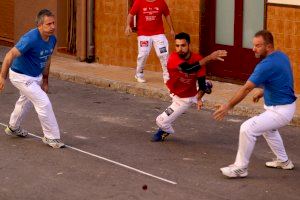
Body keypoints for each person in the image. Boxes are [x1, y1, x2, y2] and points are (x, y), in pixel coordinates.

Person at [213, 30, 297, 178]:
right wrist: (264, 91)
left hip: (280, 111)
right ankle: (284, 161)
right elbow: (286, 75)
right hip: (284, 108)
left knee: (247, 129)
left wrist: (228, 106)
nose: (253, 49)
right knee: (268, 130)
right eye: (254, 45)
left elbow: (246, 88)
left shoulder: (265, 65)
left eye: (258, 46)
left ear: (269, 46)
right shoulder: (281, 56)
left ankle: (240, 168)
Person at [0, 9, 65, 148]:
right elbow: (9, 55)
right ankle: (51, 137)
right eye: (48, 24)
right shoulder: (30, 38)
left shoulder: (52, 39)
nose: (53, 26)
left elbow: (47, 59)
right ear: (40, 26)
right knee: (43, 102)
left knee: (25, 101)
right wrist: (2, 77)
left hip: (36, 76)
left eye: (53, 23)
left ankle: (13, 127)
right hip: (20, 76)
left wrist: (45, 80)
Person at [152, 32, 227, 142]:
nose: (180, 49)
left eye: (183, 45)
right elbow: (189, 69)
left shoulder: (198, 59)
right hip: (174, 90)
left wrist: (200, 97)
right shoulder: (173, 58)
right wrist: (210, 57)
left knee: (160, 121)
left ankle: (165, 130)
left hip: (184, 99)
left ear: (189, 45)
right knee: (199, 83)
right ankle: (206, 86)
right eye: (177, 46)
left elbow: (200, 82)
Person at [125, 0, 175, 83]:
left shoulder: (161, 2)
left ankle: (167, 76)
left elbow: (167, 15)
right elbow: (130, 15)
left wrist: (172, 29)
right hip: (144, 35)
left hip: (158, 34)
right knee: (143, 54)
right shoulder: (139, 2)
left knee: (163, 54)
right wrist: (127, 26)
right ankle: (139, 74)